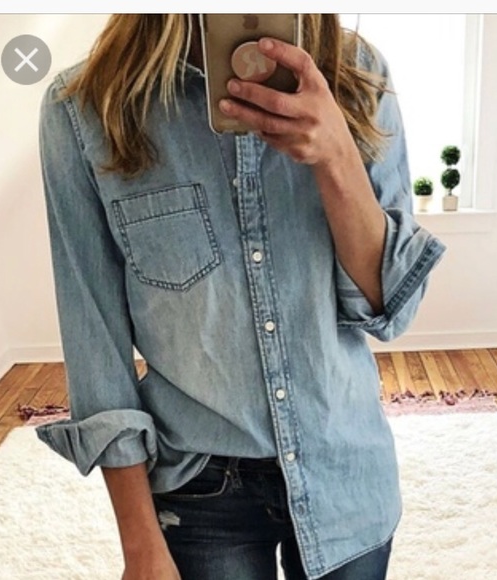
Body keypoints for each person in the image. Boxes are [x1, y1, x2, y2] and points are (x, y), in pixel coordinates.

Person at [36, 13, 446, 580]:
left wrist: (336, 155)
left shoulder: (357, 74)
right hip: (199, 490)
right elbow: (95, 346)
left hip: (345, 468)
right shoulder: (86, 110)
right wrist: (140, 547)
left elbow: (389, 308)